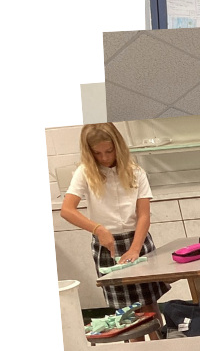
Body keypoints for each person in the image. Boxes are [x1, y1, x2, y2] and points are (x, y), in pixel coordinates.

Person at [59, 123, 171, 309]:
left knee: (149, 306)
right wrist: (98, 229)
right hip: (107, 246)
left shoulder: (136, 172)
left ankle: (158, 336)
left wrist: (135, 249)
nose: (104, 157)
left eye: (109, 151)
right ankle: (135, 339)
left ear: (118, 146)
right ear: (89, 152)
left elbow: (144, 215)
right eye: (97, 153)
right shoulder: (84, 173)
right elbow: (67, 210)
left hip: (138, 241)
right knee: (127, 311)